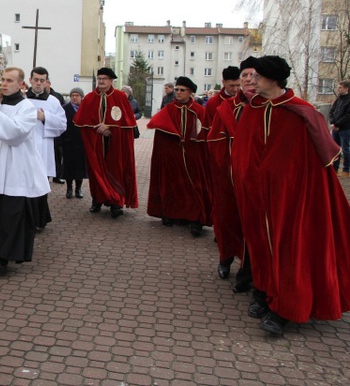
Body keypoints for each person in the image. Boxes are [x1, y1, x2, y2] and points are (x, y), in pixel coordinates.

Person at [231, 55, 350, 336]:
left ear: (272, 80)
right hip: (257, 195)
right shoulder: (254, 109)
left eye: (257, 76)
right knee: (260, 242)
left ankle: (284, 308)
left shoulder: (303, 112)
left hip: (292, 197)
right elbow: (245, 153)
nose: (251, 81)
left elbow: (319, 161)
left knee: (288, 247)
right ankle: (264, 291)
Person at [0, 67, 50, 275]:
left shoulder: (27, 107)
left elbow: (15, 134)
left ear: (21, 85)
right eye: (2, 80)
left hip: (16, 166)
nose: (4, 84)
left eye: (9, 80)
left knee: (12, 212)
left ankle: (5, 256)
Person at [207, 57, 257, 292]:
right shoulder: (226, 108)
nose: (245, 83)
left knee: (253, 227)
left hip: (257, 181)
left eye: (250, 78)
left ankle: (248, 272)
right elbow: (214, 139)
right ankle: (226, 259)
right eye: (241, 79)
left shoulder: (266, 107)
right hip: (228, 176)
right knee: (228, 220)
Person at [147, 76, 211, 237]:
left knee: (195, 185)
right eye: (177, 90)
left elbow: (206, 134)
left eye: (182, 90)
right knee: (172, 184)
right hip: (172, 156)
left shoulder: (199, 111)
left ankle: (197, 219)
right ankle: (170, 214)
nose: (178, 93)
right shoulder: (168, 110)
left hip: (193, 156)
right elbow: (160, 132)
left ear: (190, 92)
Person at [74, 68, 138, 218]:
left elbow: (128, 123)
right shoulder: (89, 98)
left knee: (116, 170)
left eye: (105, 78)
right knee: (96, 171)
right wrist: (98, 130)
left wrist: (111, 128)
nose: (101, 81)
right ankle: (97, 200)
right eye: (99, 78)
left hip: (115, 144)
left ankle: (116, 203)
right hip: (96, 143)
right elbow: (82, 123)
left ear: (111, 81)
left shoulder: (120, 97)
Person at [25, 67, 67, 232]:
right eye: (36, 80)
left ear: (46, 82)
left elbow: (63, 124)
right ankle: (27, 218)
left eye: (42, 80)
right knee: (26, 184)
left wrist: (45, 118)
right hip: (25, 147)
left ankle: (39, 219)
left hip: (43, 148)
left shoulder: (53, 101)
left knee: (40, 185)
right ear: (30, 80)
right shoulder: (21, 99)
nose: (38, 83)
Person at [58, 88, 88, 199]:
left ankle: (78, 188)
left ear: (81, 97)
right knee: (68, 167)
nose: (74, 97)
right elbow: (60, 125)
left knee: (80, 167)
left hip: (81, 143)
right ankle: (69, 188)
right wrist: (61, 142)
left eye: (77, 95)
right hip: (68, 143)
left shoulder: (85, 109)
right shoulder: (64, 109)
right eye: (72, 95)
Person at [329, 79, 350, 177]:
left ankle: (346, 170)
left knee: (345, 149)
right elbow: (332, 111)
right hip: (335, 128)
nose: (338, 89)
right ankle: (335, 169)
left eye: (340, 87)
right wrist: (332, 122)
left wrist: (337, 124)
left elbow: (347, 116)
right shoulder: (339, 99)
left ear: (346, 88)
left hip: (345, 128)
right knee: (335, 149)